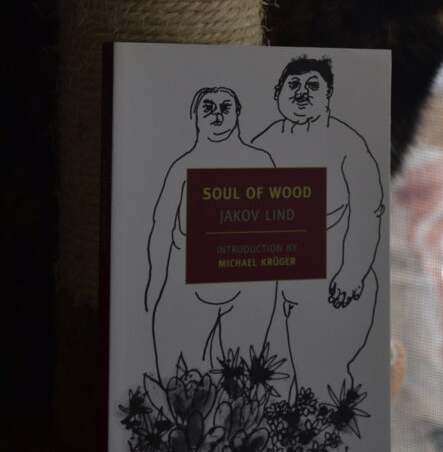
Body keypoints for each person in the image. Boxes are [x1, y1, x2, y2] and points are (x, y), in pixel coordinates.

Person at [252, 57, 384, 397]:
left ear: (328, 96)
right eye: (293, 85)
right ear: (278, 93)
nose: (301, 93)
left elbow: (368, 209)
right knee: (270, 381)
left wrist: (352, 273)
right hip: (276, 285)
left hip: (333, 285)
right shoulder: (262, 143)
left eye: (313, 86)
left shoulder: (348, 145)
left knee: (321, 379)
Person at [144, 86, 276, 381]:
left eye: (225, 107)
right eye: (208, 107)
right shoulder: (181, 167)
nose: (217, 113)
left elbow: (277, 229)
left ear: (238, 113)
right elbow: (161, 225)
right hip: (186, 279)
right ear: (195, 117)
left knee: (241, 378)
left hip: (248, 285)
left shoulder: (260, 161)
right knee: (176, 374)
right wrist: (155, 280)